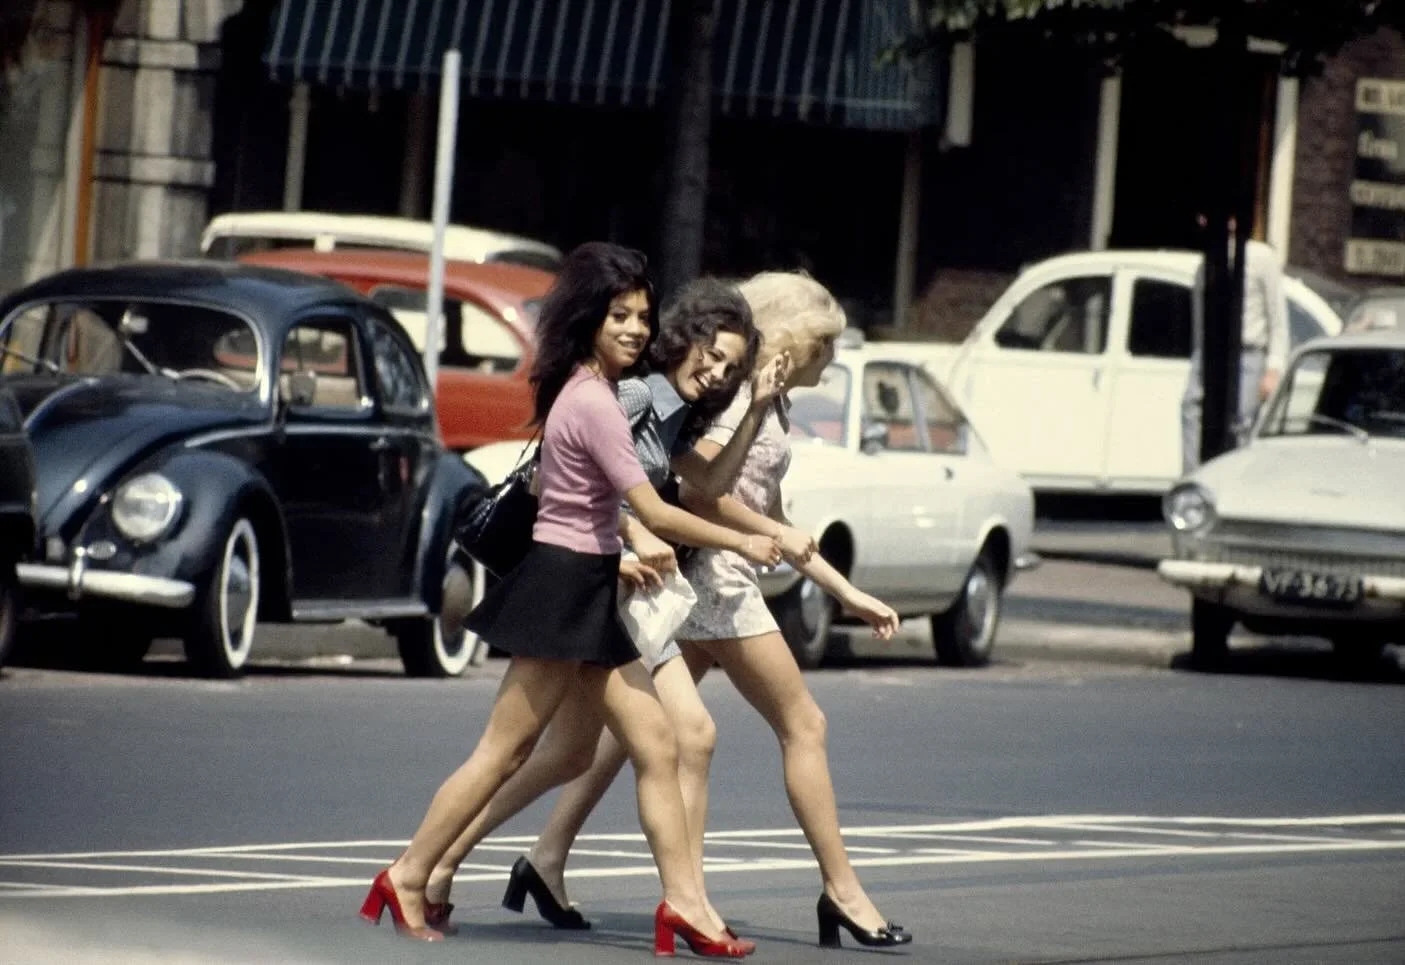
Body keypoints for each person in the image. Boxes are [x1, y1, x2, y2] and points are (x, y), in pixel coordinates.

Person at [357, 243, 779, 958]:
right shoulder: (595, 401)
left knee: (654, 742)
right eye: (620, 315)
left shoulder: (593, 394)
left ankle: (683, 904)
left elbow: (598, 504)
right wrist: (743, 542)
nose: (636, 329)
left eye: (643, 316)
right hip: (563, 587)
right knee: (504, 749)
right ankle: (407, 871)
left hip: (590, 585)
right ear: (589, 318)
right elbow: (656, 508)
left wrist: (631, 544)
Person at [488, 271, 910, 951]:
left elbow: (767, 512)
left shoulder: (756, 396)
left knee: (614, 740)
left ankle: (544, 856)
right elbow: (694, 490)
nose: (829, 362)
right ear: (794, 341)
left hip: (702, 566)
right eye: (824, 347)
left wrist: (843, 589)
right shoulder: (733, 388)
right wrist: (758, 536)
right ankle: (834, 891)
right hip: (710, 573)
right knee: (796, 722)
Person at [1182, 216, 1290, 472]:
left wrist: (1274, 367)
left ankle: (1234, 481)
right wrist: (1199, 355)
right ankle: (1193, 479)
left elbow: (1277, 317)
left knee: (1240, 420)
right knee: (1191, 407)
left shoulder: (1261, 257)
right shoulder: (1206, 263)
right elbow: (1200, 318)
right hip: (1210, 352)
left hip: (1248, 353)